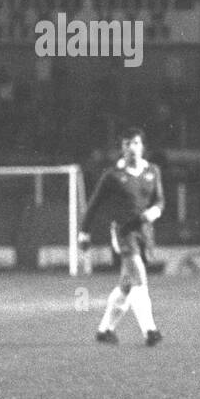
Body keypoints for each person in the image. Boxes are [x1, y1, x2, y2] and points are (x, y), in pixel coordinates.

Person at [79, 127, 165, 347]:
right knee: (139, 278)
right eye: (127, 144)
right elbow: (94, 204)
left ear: (142, 146)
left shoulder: (152, 171)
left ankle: (104, 330)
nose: (132, 148)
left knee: (126, 285)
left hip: (144, 232)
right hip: (123, 232)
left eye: (136, 143)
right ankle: (150, 331)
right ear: (122, 148)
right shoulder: (113, 176)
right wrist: (84, 232)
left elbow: (160, 201)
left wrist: (153, 212)